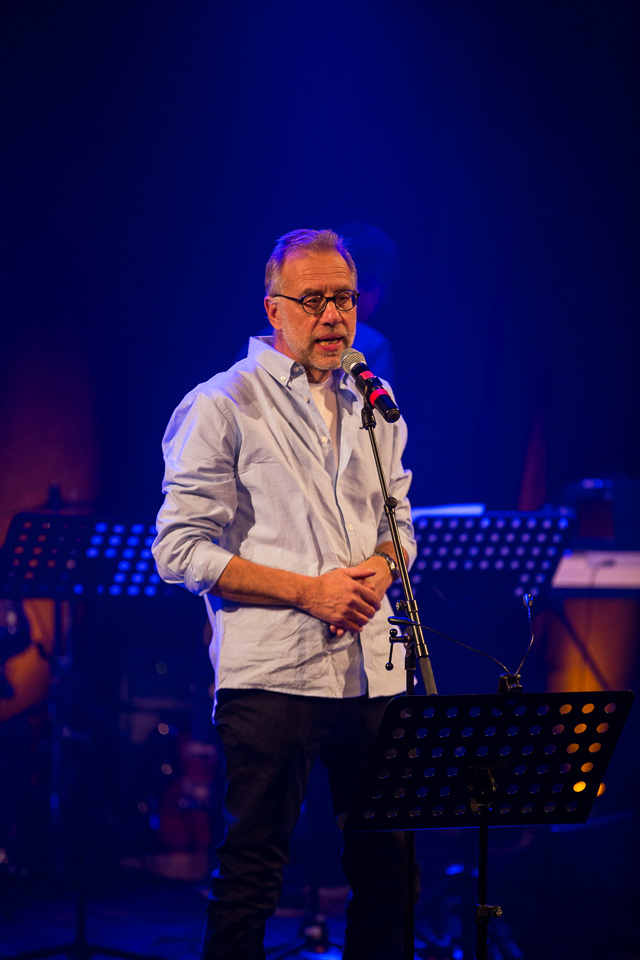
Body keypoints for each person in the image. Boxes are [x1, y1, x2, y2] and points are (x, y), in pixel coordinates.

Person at [152, 228, 417, 960]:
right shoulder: (222, 403)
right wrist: (310, 593)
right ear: (274, 309)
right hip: (274, 674)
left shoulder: (373, 398)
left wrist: (384, 568)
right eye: (314, 300)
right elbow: (178, 549)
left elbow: (398, 520)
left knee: (392, 873)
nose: (334, 315)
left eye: (345, 299)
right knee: (253, 875)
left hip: (372, 669)